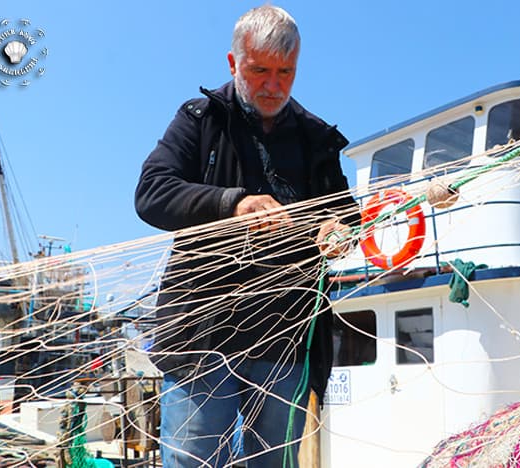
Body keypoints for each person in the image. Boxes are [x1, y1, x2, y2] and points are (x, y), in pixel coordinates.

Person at [134, 5, 357, 467]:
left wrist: (341, 233)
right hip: (202, 335)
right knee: (195, 460)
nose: (273, 86)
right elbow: (152, 193)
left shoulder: (317, 138)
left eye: (285, 73)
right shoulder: (200, 119)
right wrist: (232, 204)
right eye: (259, 71)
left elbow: (345, 217)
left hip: (285, 338)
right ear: (234, 64)